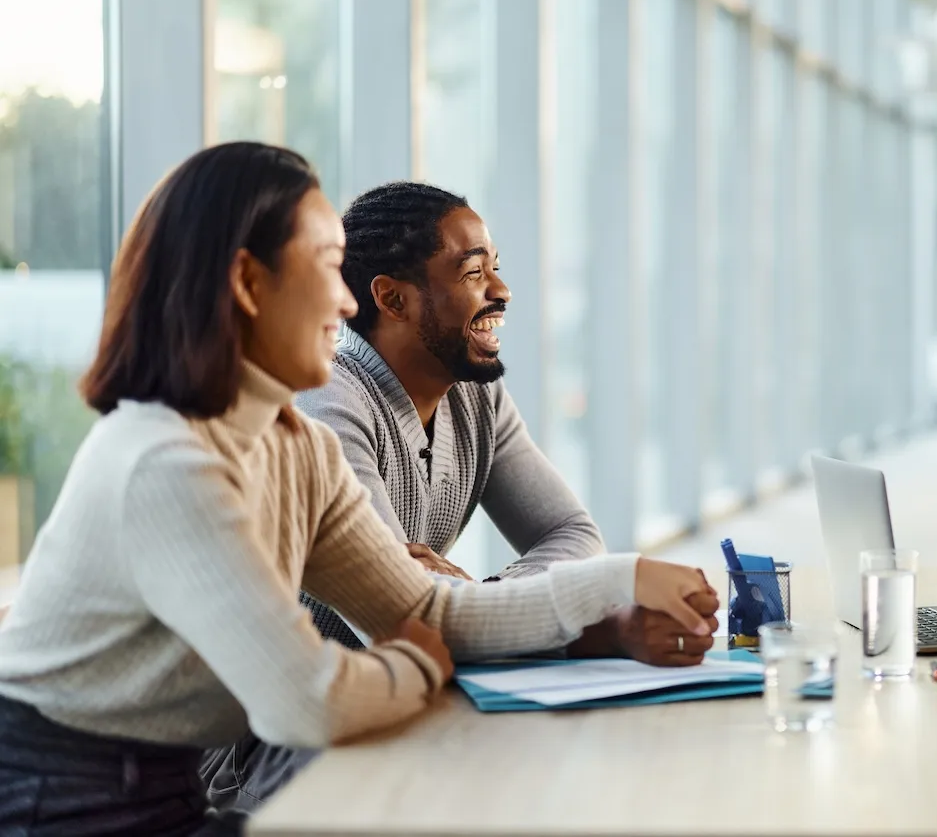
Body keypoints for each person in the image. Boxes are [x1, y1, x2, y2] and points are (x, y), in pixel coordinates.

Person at [0, 142, 715, 836]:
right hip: (58, 805)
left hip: (168, 793)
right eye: (328, 268)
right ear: (250, 284)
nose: (346, 305)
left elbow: (429, 607)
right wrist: (416, 661)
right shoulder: (164, 462)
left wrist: (622, 577)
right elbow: (308, 700)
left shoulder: (295, 446)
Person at [203, 180, 720, 814]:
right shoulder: (323, 408)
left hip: (387, 691)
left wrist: (477, 596)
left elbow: (569, 537)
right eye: (474, 272)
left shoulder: (475, 393)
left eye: (495, 269)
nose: (501, 291)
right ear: (391, 298)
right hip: (261, 749)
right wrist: (595, 604)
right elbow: (406, 621)